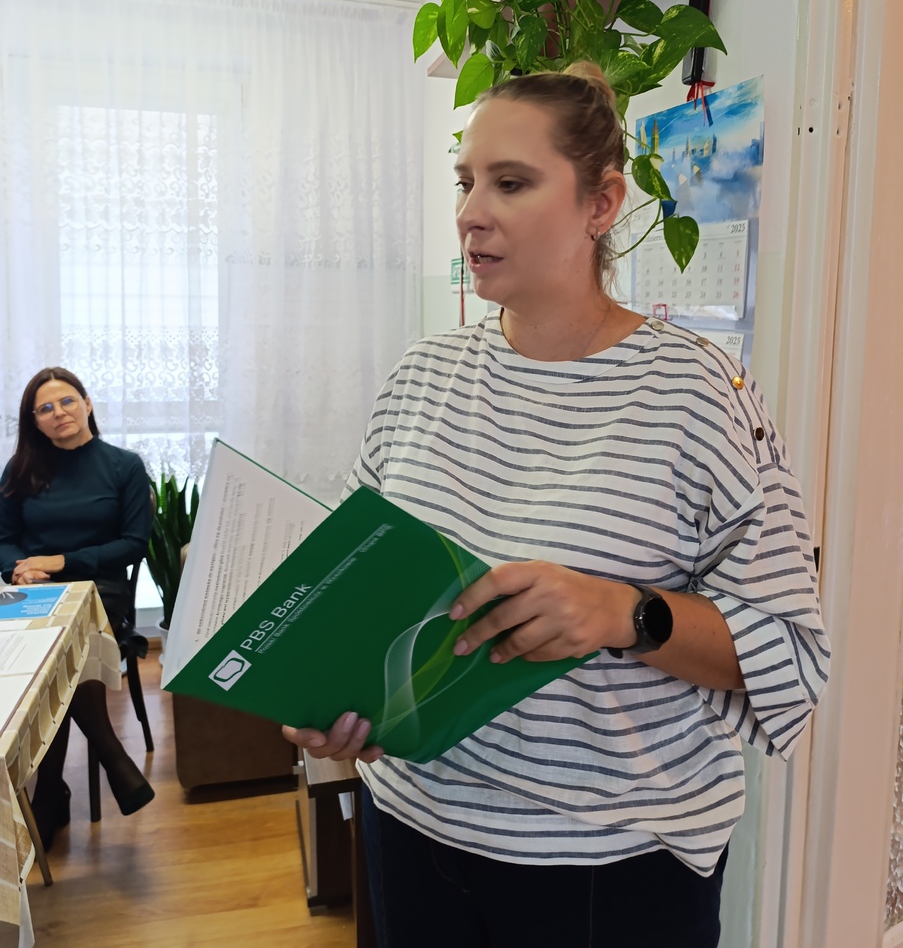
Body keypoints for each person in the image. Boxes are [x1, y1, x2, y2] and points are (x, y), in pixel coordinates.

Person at [284, 63, 830, 948]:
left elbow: (789, 655)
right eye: (465, 182)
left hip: (611, 867)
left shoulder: (694, 393)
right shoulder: (420, 377)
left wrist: (624, 611)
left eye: (510, 183)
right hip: (411, 828)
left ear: (600, 203)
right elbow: (352, 592)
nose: (470, 212)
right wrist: (329, 696)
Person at [0, 367, 155, 850]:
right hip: (37, 593)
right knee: (53, 644)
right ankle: (108, 754)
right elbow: (4, 539)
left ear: (87, 403)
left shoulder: (123, 466)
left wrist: (61, 561)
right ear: (35, 421)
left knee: (66, 641)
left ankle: (50, 794)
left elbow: (133, 544)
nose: (58, 413)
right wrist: (18, 571)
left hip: (100, 590)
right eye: (45, 408)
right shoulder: (20, 470)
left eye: (67, 401)